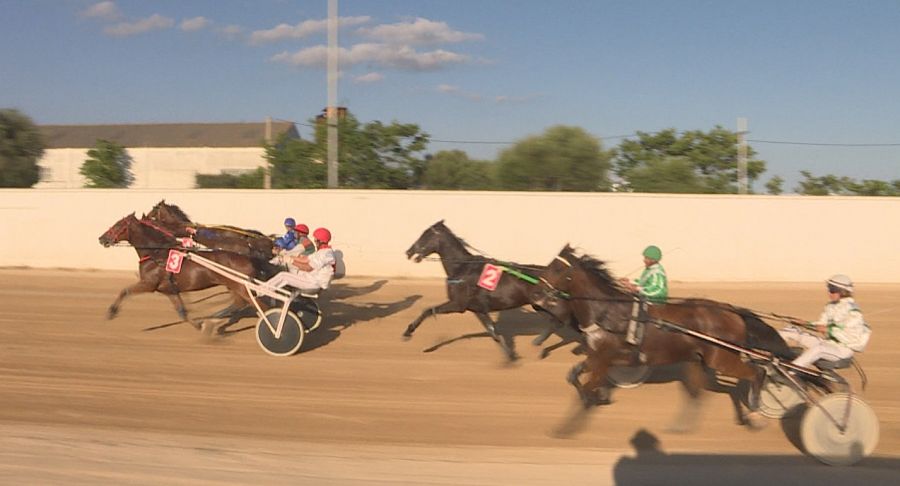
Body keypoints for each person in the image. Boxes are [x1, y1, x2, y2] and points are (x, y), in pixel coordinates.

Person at [779, 274, 872, 369]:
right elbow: (821, 324)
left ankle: (791, 371)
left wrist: (829, 330)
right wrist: (805, 323)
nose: (829, 293)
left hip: (842, 350)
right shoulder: (830, 306)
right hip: (828, 343)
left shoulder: (854, 312)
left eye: (832, 290)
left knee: (818, 349)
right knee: (790, 330)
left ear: (843, 292)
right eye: (829, 289)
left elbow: (851, 335)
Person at [265, 227, 336, 291]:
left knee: (283, 276)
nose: (314, 240)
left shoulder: (324, 254)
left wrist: (290, 260)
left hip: (315, 282)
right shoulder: (323, 251)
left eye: (315, 239)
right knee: (291, 271)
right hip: (313, 277)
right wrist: (290, 258)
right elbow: (306, 259)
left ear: (320, 240)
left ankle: (259, 291)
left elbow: (308, 268)